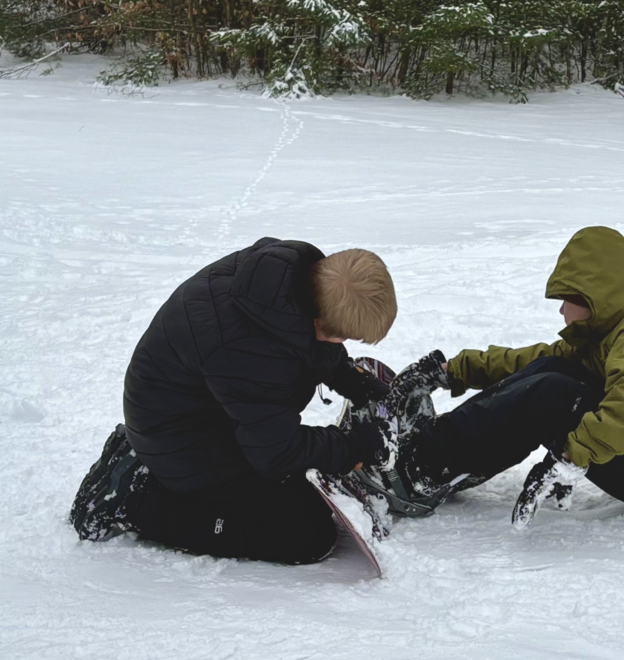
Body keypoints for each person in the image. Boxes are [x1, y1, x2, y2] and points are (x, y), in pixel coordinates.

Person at [70, 238, 398, 564]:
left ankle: (141, 464)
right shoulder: (248, 348)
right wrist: (354, 446)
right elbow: (277, 453)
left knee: (297, 481)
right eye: (344, 336)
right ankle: (136, 498)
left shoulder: (287, 280)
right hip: (179, 440)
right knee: (305, 535)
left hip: (195, 410)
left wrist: (353, 382)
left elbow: (305, 342)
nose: (343, 343)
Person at [385, 226, 624, 525]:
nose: (562, 310)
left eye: (567, 299)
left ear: (596, 298)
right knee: (550, 370)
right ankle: (444, 453)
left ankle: (418, 471)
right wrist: (453, 371)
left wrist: (571, 456)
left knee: (552, 395)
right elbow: (533, 361)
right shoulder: (610, 333)